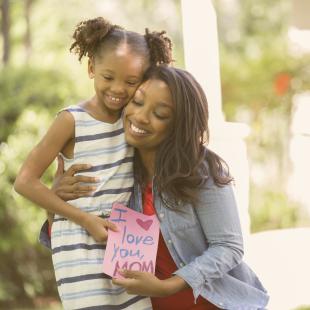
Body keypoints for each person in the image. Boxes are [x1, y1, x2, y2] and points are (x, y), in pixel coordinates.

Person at [47, 65, 269, 310]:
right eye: (137, 102)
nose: (141, 117)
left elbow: (229, 247)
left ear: (178, 126)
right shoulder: (116, 171)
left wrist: (168, 285)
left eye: (160, 114)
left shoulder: (201, 171)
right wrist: (56, 202)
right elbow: (71, 242)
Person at [14, 17, 172, 310]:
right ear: (91, 69)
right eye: (108, 77)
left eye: (131, 81)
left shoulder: (135, 119)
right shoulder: (72, 120)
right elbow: (24, 181)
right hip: (78, 242)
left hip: (126, 239)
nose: (118, 89)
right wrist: (84, 218)